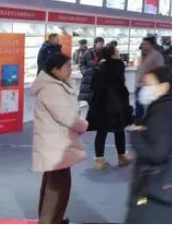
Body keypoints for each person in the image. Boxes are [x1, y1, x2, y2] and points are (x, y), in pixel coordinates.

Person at [125, 66, 172, 224]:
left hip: (158, 188)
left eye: (149, 84)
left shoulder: (160, 114)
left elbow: (158, 153)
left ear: (164, 87)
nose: (144, 89)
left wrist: (136, 137)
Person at [31, 53, 88, 224]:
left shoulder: (57, 85)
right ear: (56, 70)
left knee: (56, 185)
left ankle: (53, 220)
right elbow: (66, 116)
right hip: (55, 146)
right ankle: (49, 221)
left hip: (57, 144)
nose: (71, 70)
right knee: (56, 189)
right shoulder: (52, 89)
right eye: (67, 67)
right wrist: (84, 124)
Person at [86, 44, 133, 171]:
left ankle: (99, 160)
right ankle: (122, 157)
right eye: (116, 51)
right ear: (112, 54)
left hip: (101, 103)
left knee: (101, 131)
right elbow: (120, 86)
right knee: (119, 130)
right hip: (115, 104)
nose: (118, 53)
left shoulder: (100, 67)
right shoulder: (118, 66)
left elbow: (93, 85)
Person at [135, 36, 165, 120]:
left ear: (151, 45)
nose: (143, 45)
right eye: (143, 44)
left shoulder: (157, 55)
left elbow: (161, 70)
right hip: (139, 85)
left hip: (150, 87)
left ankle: (150, 122)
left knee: (150, 108)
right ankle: (139, 122)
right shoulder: (142, 55)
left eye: (145, 44)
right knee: (138, 107)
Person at [79, 37, 105, 102]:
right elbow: (81, 63)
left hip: (100, 79)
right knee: (87, 99)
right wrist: (85, 72)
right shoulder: (88, 52)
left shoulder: (104, 53)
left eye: (103, 43)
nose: (102, 45)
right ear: (95, 43)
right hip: (88, 79)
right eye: (100, 43)